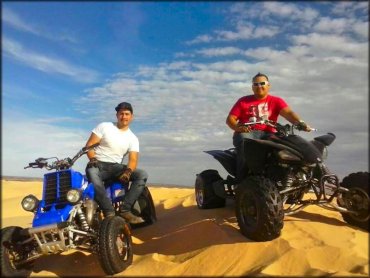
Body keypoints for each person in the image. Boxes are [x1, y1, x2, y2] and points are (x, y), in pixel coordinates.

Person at [226, 72, 312, 181]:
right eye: (255, 84)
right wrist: (238, 127)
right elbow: (230, 119)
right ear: (252, 87)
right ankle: (241, 180)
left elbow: (289, 113)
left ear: (268, 85)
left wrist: (300, 123)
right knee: (245, 142)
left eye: (262, 83)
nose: (259, 86)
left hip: (270, 134)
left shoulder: (276, 101)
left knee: (289, 146)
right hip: (248, 133)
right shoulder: (243, 101)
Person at [85, 102, 148, 224]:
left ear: (131, 117)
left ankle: (125, 209)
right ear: (117, 115)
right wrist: (93, 159)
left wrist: (128, 171)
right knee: (92, 173)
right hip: (98, 165)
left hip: (116, 167)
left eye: (127, 114)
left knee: (141, 174)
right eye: (121, 114)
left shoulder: (133, 138)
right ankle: (109, 212)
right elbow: (89, 146)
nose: (124, 117)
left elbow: (133, 160)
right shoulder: (104, 126)